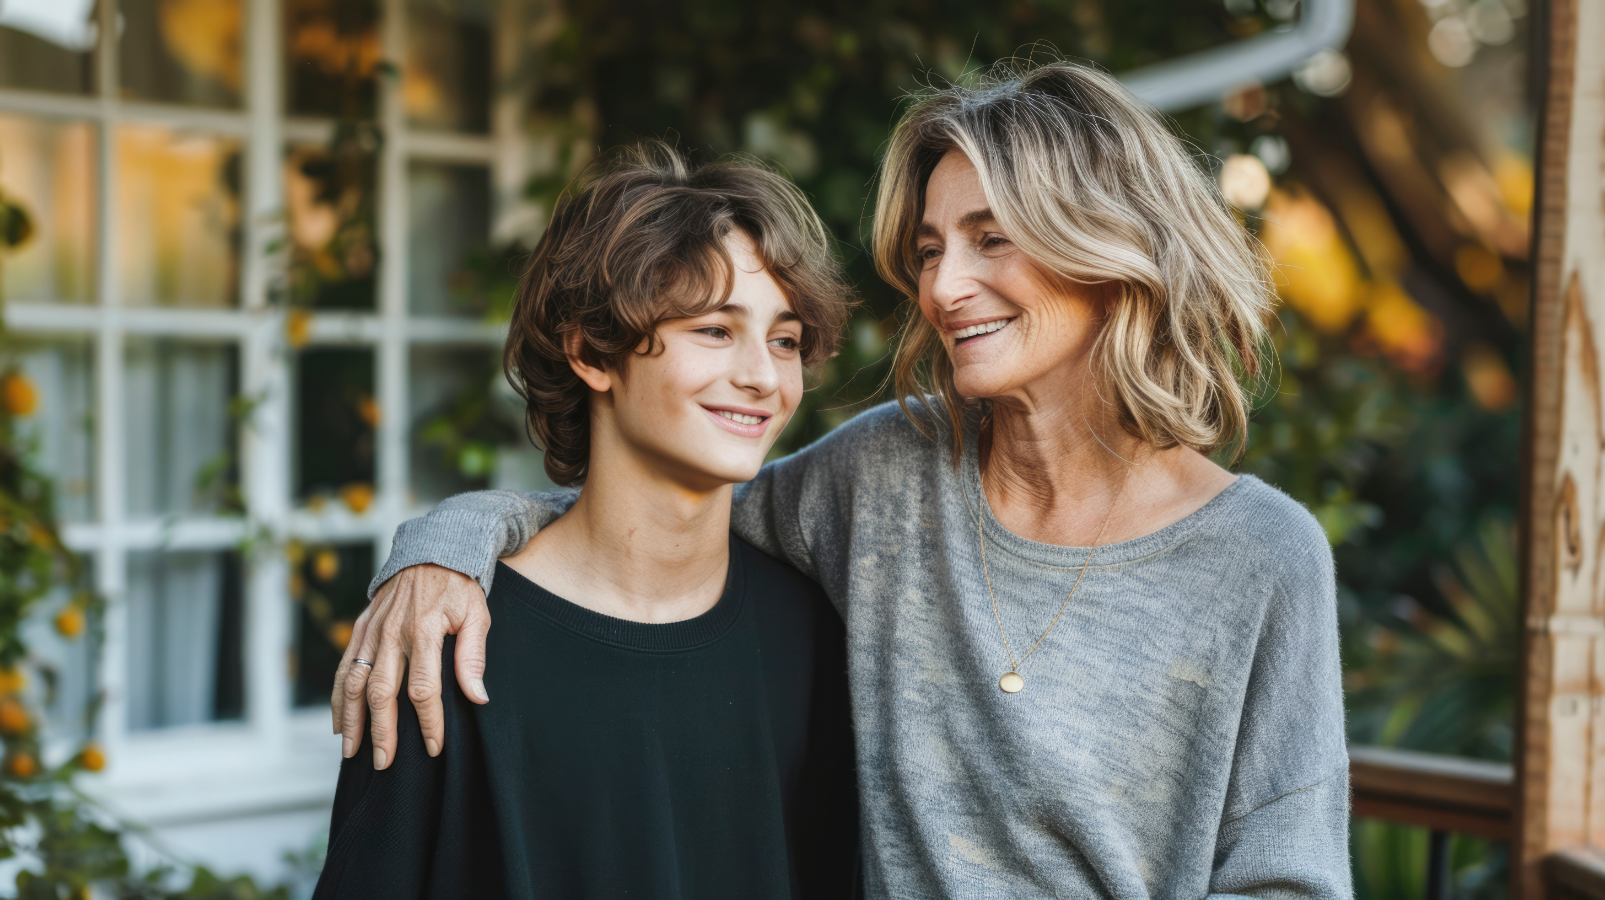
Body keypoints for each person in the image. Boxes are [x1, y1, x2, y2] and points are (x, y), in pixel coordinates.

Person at [337, 60, 1352, 898]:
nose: (943, 288)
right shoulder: (882, 478)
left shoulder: (1260, 555)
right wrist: (448, 547)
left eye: (991, 238)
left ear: (1109, 246)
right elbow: (652, 512)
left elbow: (1289, 880)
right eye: (928, 249)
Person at [313, 143, 859, 900]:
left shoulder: (811, 634)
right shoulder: (441, 639)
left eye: (786, 340)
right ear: (590, 352)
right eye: (714, 329)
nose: (764, 377)